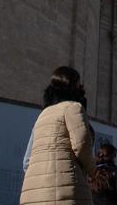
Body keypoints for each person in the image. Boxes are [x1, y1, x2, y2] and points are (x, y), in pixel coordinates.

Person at [20, 66, 95, 204]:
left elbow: (26, 162)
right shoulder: (73, 108)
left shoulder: (43, 115)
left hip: (33, 196)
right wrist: (93, 171)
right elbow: (82, 144)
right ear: (74, 86)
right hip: (65, 192)